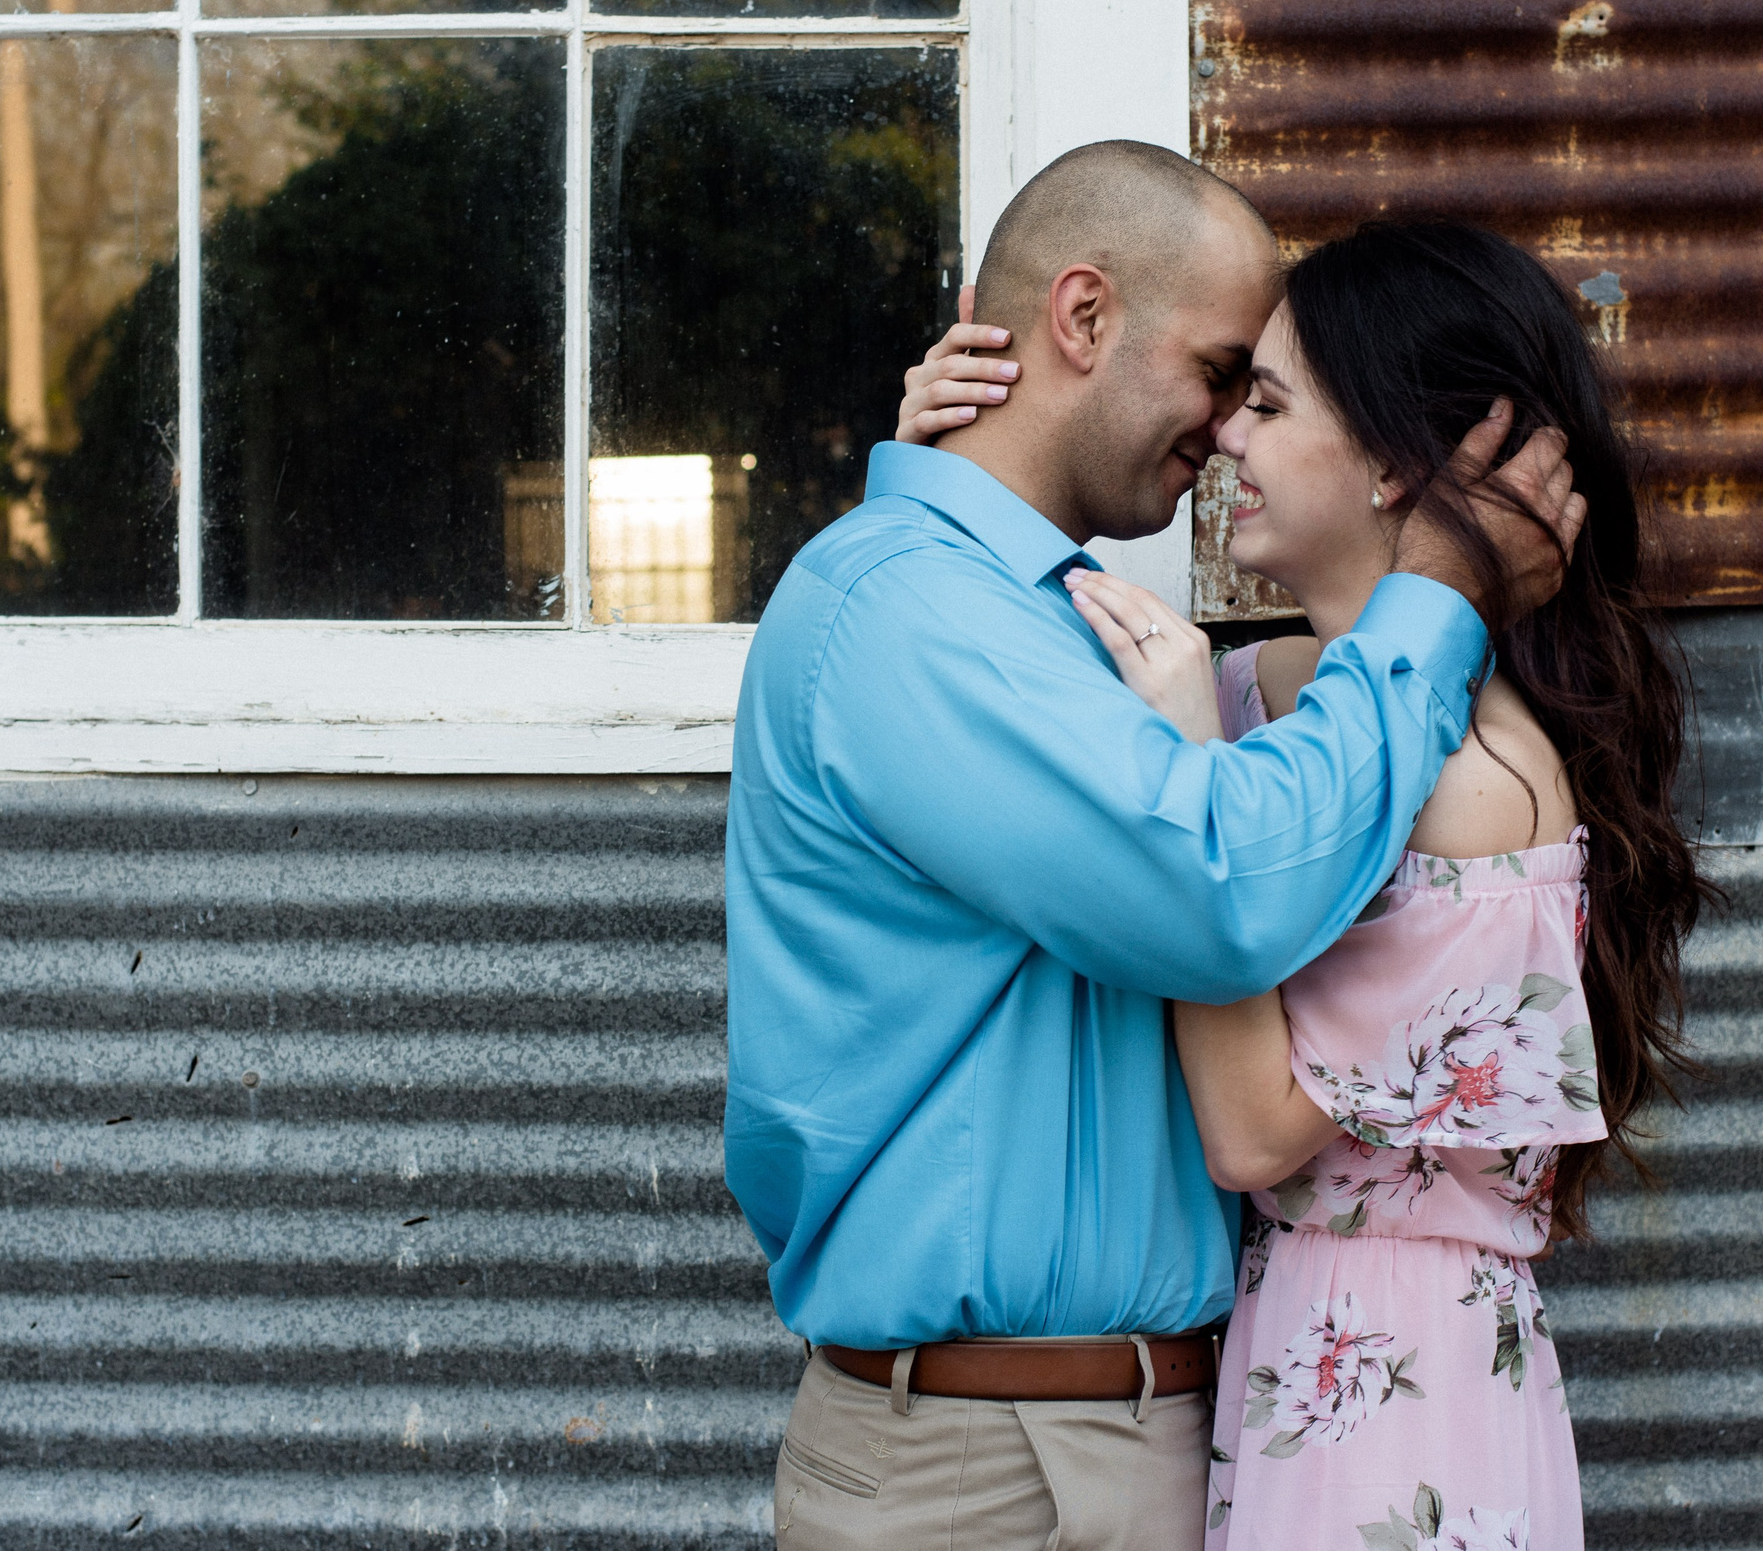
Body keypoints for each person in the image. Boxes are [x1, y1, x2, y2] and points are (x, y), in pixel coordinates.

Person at [723, 140, 1586, 1551]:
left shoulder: (1049, 629)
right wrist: (1440, 596)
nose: (1229, 426)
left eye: (1266, 393)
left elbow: (1256, 786)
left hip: (1173, 1430)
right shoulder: (912, 613)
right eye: (1219, 371)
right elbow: (1215, 883)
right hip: (978, 1462)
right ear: (1083, 318)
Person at [919, 220, 1706, 1549]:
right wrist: (972, 464)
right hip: (1292, 1353)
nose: (1228, 435)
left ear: (1400, 462)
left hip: (1393, 1403)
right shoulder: (1264, 688)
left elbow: (1251, 1131)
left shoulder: (1478, 787)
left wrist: (1181, 769)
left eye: (1270, 403)